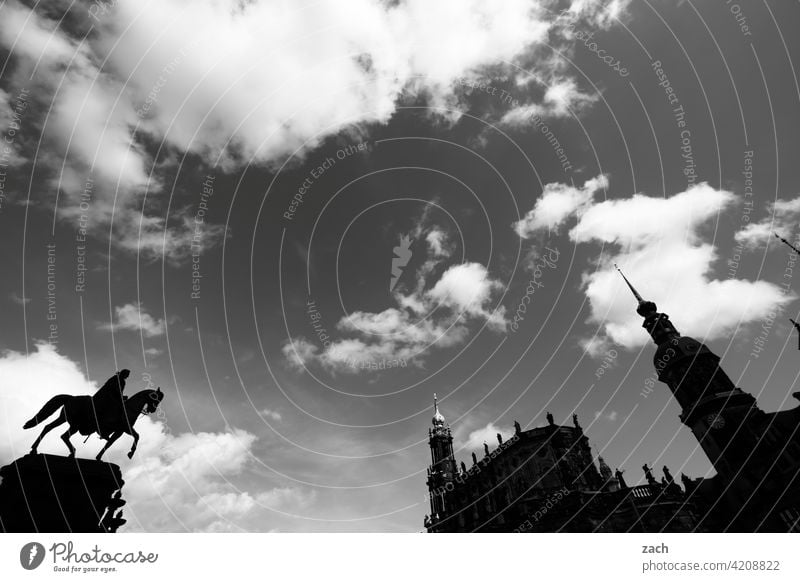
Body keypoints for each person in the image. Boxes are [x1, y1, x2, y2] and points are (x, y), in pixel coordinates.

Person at [94, 369, 130, 438]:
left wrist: (122, 397)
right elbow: (110, 387)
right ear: (123, 374)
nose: (127, 377)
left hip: (114, 396)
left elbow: (119, 391)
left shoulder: (122, 381)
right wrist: (121, 397)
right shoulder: (116, 378)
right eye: (127, 375)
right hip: (106, 396)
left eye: (128, 376)